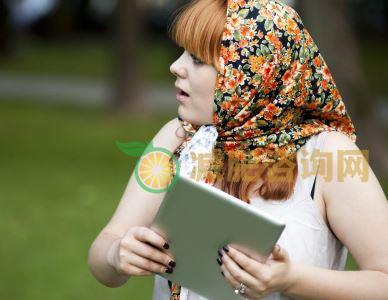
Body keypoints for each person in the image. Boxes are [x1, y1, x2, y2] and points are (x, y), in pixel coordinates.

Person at [87, 0, 388, 299]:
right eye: (182, 53)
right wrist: (117, 255)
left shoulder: (329, 154)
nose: (175, 66)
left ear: (253, 74)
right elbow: (104, 251)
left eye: (197, 59)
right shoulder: (177, 138)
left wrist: (290, 279)